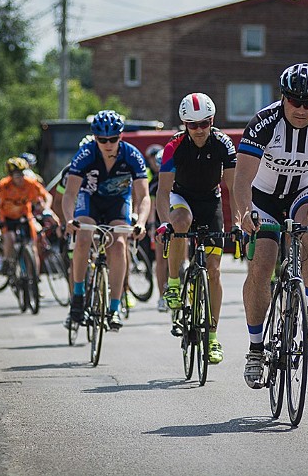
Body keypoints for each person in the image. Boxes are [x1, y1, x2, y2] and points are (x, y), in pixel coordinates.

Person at [235, 63, 308, 389]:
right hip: (263, 199)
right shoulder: (263, 122)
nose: (302, 109)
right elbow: (242, 178)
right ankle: (256, 348)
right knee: (262, 263)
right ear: (284, 97)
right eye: (295, 101)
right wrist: (245, 213)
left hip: (304, 192)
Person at [157, 93, 238, 365]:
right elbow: (162, 192)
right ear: (184, 125)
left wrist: (238, 222)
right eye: (192, 125)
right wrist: (164, 223)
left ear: (212, 121)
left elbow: (234, 188)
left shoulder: (224, 144)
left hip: (210, 201)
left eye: (204, 123)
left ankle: (213, 339)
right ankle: (173, 283)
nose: (200, 130)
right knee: (180, 223)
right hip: (181, 198)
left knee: (214, 271)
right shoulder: (173, 147)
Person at [62, 110, 150, 331]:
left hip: (118, 202)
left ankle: (114, 307)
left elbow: (144, 195)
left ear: (121, 136)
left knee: (119, 244)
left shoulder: (132, 155)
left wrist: (141, 221)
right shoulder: (85, 154)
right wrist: (69, 219)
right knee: (83, 237)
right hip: (90, 199)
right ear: (95, 139)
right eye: (102, 140)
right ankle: (79, 295)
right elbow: (70, 193)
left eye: (113, 139)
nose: (108, 144)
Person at [0, 157, 53, 281]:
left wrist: (47, 209)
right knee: (10, 238)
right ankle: (7, 261)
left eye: (22, 174)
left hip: (24, 215)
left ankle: (34, 278)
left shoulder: (31, 183)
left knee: (33, 248)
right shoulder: (4, 185)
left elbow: (47, 196)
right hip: (7, 217)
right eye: (17, 175)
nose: (20, 178)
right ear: (11, 175)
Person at [145, 144, 169, 312]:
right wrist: (152, 226)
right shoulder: (154, 181)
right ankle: (162, 296)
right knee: (160, 259)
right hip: (162, 222)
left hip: (180, 220)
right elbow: (153, 206)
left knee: (182, 259)